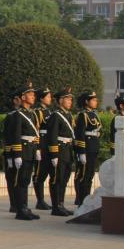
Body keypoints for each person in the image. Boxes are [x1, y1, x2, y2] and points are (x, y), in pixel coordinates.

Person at [5, 82, 41, 221]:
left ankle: (25, 207)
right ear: (23, 97)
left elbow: (35, 133)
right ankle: (20, 209)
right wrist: (17, 154)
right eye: (30, 94)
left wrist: (37, 149)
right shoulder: (18, 115)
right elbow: (15, 135)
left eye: (33, 94)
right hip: (23, 150)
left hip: (31, 150)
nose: (33, 97)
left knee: (26, 180)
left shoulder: (32, 114)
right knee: (20, 181)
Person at [46, 87, 75, 216]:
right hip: (59, 150)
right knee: (57, 179)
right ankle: (56, 207)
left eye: (70, 99)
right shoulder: (56, 116)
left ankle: (61, 204)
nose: (70, 102)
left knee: (64, 179)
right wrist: (54, 154)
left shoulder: (68, 115)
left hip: (67, 150)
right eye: (67, 99)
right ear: (60, 100)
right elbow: (52, 136)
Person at [73, 91, 101, 206]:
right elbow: (80, 134)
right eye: (93, 100)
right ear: (86, 102)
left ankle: (86, 199)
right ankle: (81, 201)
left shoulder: (94, 114)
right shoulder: (82, 115)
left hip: (93, 148)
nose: (96, 101)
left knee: (90, 175)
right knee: (83, 176)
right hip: (86, 149)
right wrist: (81, 152)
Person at [32, 87, 53, 211]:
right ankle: (40, 200)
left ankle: (44, 201)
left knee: (46, 173)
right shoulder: (38, 112)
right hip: (42, 144)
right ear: (41, 98)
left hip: (49, 144)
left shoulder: (49, 111)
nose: (50, 99)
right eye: (48, 96)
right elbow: (35, 130)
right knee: (39, 174)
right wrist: (37, 147)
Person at [1, 94, 21, 213]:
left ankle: (21, 204)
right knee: (12, 178)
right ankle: (13, 204)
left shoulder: (26, 114)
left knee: (21, 179)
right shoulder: (11, 116)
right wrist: (9, 154)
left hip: (23, 151)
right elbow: (8, 136)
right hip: (12, 152)